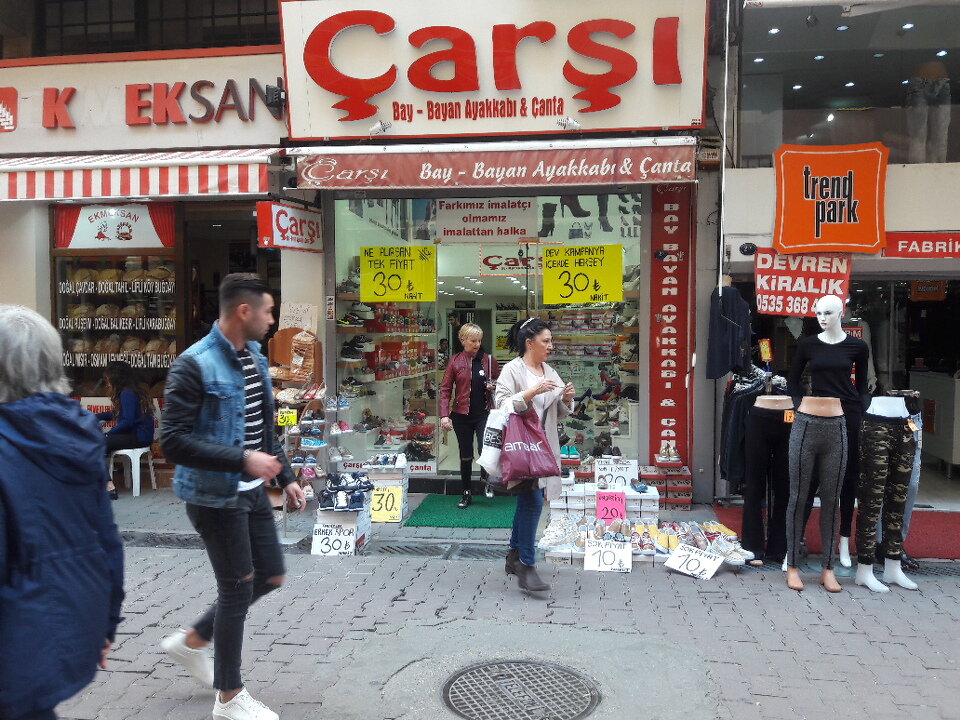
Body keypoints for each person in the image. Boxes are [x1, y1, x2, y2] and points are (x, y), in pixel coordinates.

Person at [159, 273, 305, 720]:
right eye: (269, 311)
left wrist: (286, 476)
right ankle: (229, 697)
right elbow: (173, 442)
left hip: (252, 490)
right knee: (237, 588)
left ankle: (192, 642)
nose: (273, 320)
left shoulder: (255, 356)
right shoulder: (194, 364)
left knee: (271, 574)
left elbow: (263, 426)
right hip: (213, 496)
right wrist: (243, 460)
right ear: (244, 311)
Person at [0, 305, 124, 720]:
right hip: (67, 627)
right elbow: (106, 540)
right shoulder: (77, 434)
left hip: (16, 641)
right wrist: (105, 624)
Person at [494, 318, 574, 593]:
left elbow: (559, 411)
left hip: (542, 447)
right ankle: (527, 565)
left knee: (527, 499)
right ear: (530, 343)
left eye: (551, 341)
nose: (551, 346)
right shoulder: (512, 370)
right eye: (546, 341)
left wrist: (567, 399)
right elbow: (501, 404)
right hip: (519, 447)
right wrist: (531, 392)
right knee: (533, 502)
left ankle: (514, 555)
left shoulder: (549, 371)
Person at [439, 323, 500, 508]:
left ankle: (486, 481)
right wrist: (444, 415)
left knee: (485, 449)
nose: (477, 344)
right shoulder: (455, 361)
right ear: (463, 340)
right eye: (473, 341)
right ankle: (466, 492)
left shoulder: (489, 360)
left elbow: (501, 385)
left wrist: (494, 386)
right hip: (461, 415)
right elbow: (445, 389)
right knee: (465, 454)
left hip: (484, 413)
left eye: (479, 340)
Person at [96, 360, 155, 499]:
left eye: (108, 379)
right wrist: (92, 416)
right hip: (141, 436)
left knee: (97, 444)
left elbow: (127, 421)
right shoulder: (132, 391)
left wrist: (108, 434)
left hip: (138, 436)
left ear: (116, 377)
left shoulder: (127, 393)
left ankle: (109, 486)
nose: (107, 383)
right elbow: (116, 414)